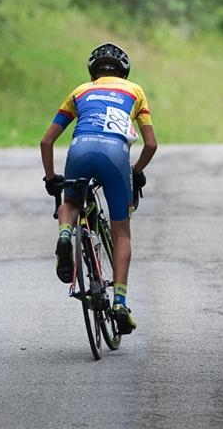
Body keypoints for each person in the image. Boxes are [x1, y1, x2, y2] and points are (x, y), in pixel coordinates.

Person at [40, 42, 158, 335]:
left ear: (93, 72)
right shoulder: (135, 91)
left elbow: (46, 141)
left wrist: (50, 176)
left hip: (79, 150)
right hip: (115, 155)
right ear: (124, 72)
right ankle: (119, 302)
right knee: (121, 233)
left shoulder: (80, 91)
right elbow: (151, 144)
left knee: (71, 200)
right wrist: (136, 171)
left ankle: (65, 234)